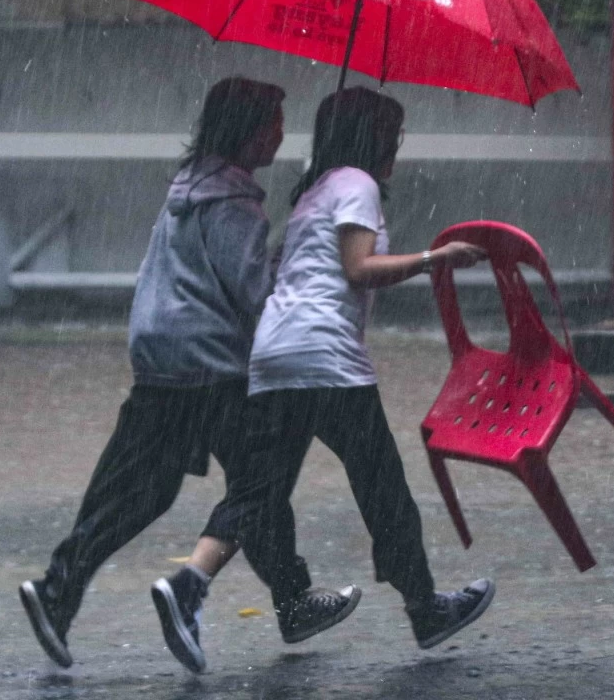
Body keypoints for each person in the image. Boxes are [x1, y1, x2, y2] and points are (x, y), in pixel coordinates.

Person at [19, 77, 360, 675]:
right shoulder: (232, 205)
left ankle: (59, 588)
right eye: (272, 124)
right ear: (246, 132)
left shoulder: (190, 188)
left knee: (142, 485)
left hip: (162, 357)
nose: (280, 135)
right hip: (211, 364)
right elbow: (257, 295)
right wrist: (299, 245)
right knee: (260, 479)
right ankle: (259, 596)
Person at [215, 86, 495, 651]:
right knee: (382, 486)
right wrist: (434, 260)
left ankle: (276, 600)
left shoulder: (312, 190)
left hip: (275, 355)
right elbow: (359, 269)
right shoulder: (357, 184)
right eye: (393, 135)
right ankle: (423, 606)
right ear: (376, 140)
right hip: (325, 360)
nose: (398, 146)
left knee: (264, 492)